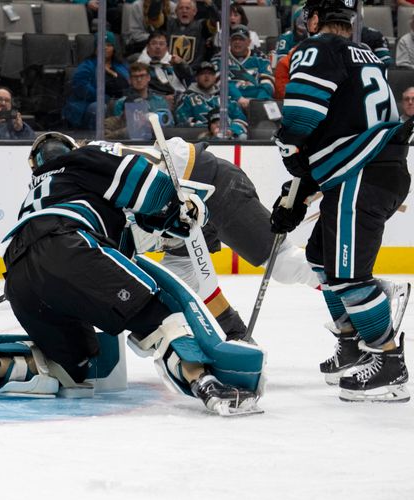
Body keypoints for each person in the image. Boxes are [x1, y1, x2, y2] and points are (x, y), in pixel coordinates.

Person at [0, 132, 266, 416]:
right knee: (158, 319)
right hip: (69, 246)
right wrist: (183, 208)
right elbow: (142, 182)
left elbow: (119, 239)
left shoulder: (40, 192)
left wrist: (168, 220)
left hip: (19, 272)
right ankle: (207, 384)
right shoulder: (83, 159)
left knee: (71, 367)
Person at [273, 0, 411, 402]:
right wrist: (297, 193)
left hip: (362, 173)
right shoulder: (367, 53)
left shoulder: (317, 48)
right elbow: (339, 129)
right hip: (371, 170)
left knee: (348, 276)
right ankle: (351, 343)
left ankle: (388, 361)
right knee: (320, 259)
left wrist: (289, 151)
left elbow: (301, 119)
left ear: (315, 20)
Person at [63, 31, 130, 130]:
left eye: (109, 45)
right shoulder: (86, 66)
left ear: (114, 48)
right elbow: (82, 87)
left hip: (118, 102)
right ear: (95, 48)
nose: (105, 48)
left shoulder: (121, 66)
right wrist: (106, 99)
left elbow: (128, 84)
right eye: (101, 45)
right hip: (89, 104)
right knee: (99, 107)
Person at [175, 61, 248, 139]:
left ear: (214, 78)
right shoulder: (186, 97)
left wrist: (231, 130)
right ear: (196, 77)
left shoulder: (225, 97)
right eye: (203, 73)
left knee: (242, 137)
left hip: (227, 138)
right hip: (198, 139)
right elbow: (182, 121)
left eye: (210, 73)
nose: (206, 76)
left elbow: (241, 119)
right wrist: (210, 130)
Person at [104, 61, 174, 140]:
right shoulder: (120, 103)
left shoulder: (160, 101)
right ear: (129, 80)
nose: (139, 79)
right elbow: (118, 124)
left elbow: (170, 126)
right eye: (135, 77)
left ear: (148, 77)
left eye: (142, 76)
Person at [212, 25, 274, 112]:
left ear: (249, 42)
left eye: (241, 39)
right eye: (234, 39)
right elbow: (222, 84)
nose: (237, 42)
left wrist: (258, 102)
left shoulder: (261, 59)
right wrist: (239, 98)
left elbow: (268, 83)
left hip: (258, 99)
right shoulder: (218, 59)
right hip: (230, 101)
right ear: (229, 41)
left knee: (273, 112)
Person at [135, 30, 190, 107]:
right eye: (154, 43)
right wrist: (161, 100)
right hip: (157, 105)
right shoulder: (140, 67)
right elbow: (139, 93)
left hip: (183, 100)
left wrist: (181, 64)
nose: (158, 47)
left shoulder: (174, 62)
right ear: (147, 47)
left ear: (167, 48)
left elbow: (190, 78)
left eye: (161, 44)